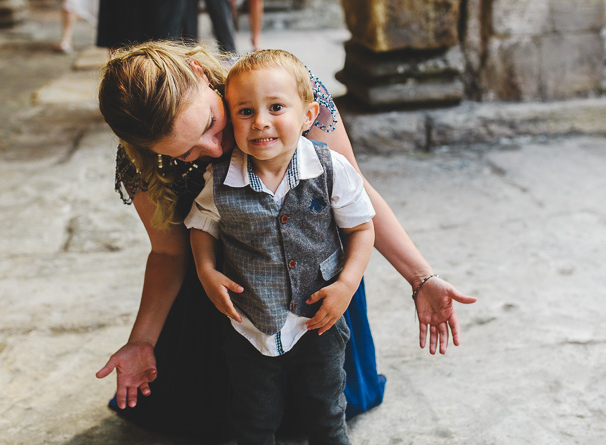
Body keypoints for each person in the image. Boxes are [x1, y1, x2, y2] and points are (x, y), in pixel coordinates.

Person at [95, 41, 476, 440]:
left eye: (209, 123)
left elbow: (354, 194)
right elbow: (169, 251)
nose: (212, 149)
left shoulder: (279, 90)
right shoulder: (140, 162)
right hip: (231, 290)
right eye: (186, 153)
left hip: (313, 273)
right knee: (236, 415)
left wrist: (421, 278)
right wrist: (142, 340)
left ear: (201, 74)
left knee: (323, 404)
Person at [187, 50, 375, 444]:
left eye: (276, 107)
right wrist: (206, 269)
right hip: (250, 326)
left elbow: (362, 229)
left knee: (326, 412)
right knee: (253, 419)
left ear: (307, 116)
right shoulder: (219, 179)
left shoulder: (329, 169)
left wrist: (347, 284)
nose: (260, 122)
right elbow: (203, 226)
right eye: (244, 111)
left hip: (317, 322)